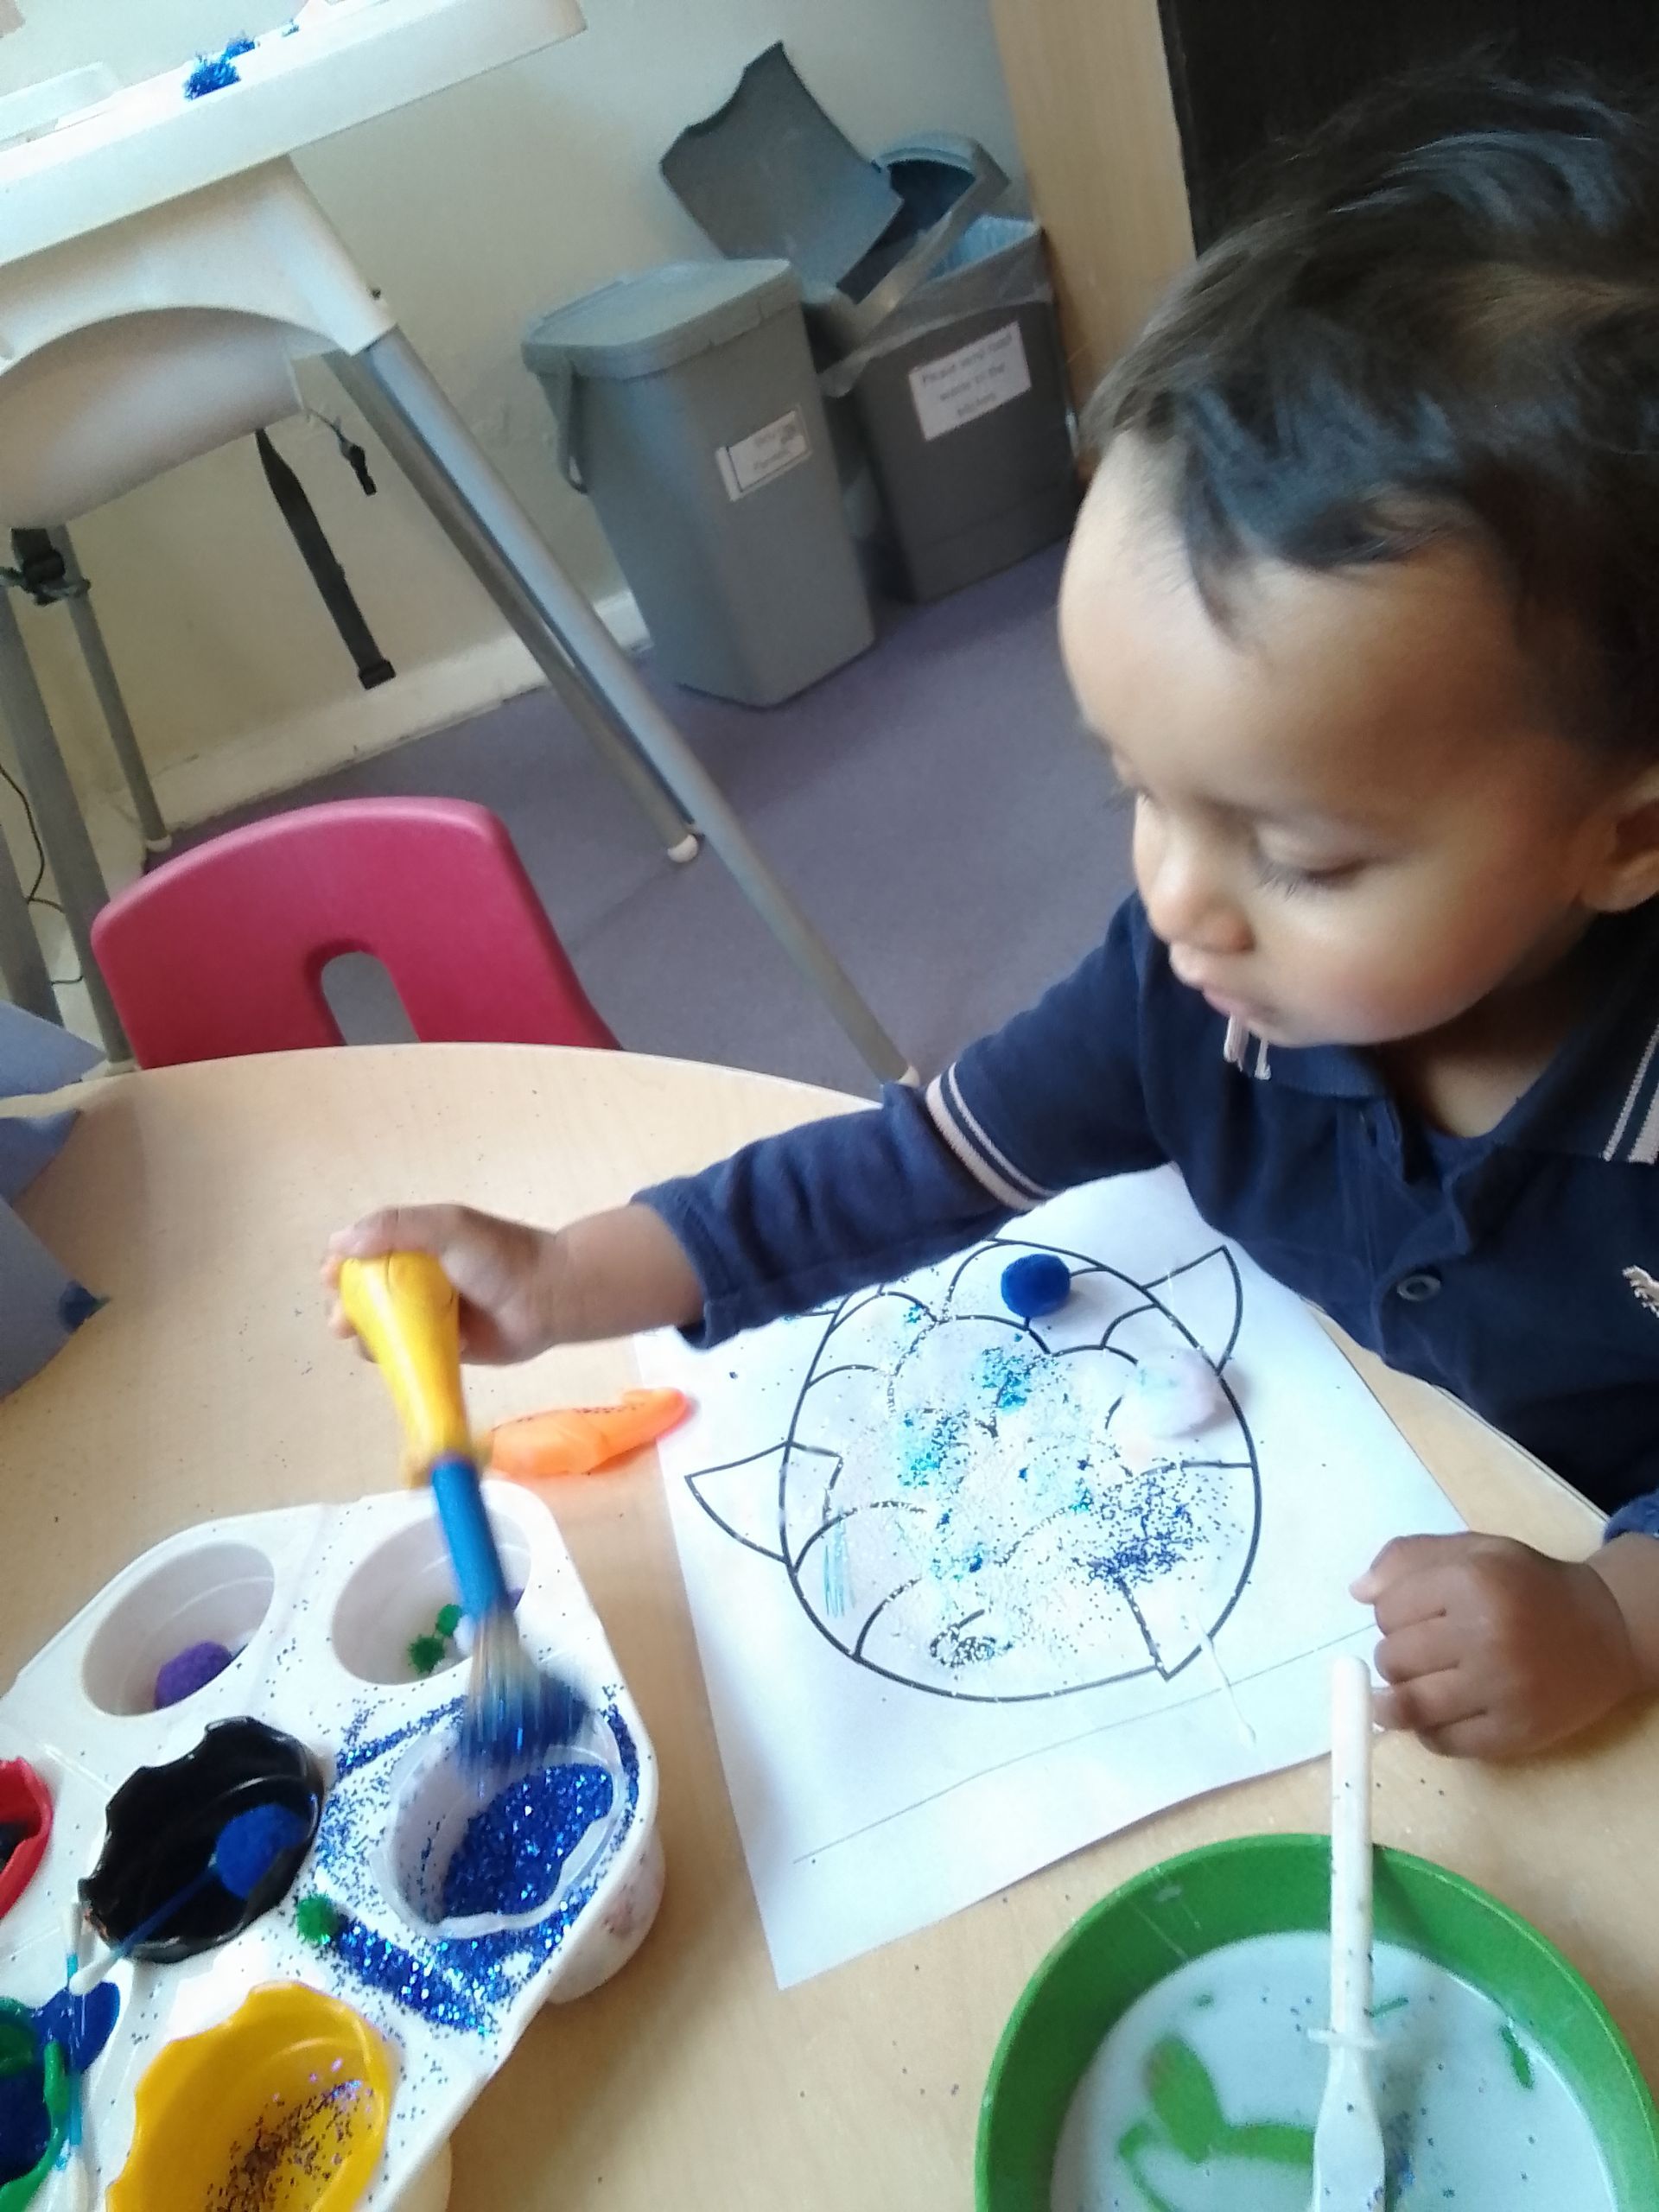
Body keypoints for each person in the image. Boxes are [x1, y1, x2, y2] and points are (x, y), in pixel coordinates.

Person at [328, 72, 1659, 1761]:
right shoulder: (1194, 997)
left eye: (1303, 857)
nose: (1176, 897)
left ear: (1624, 837)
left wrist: (1619, 1615)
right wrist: (566, 1273)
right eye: (1139, 792)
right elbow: (912, 1166)